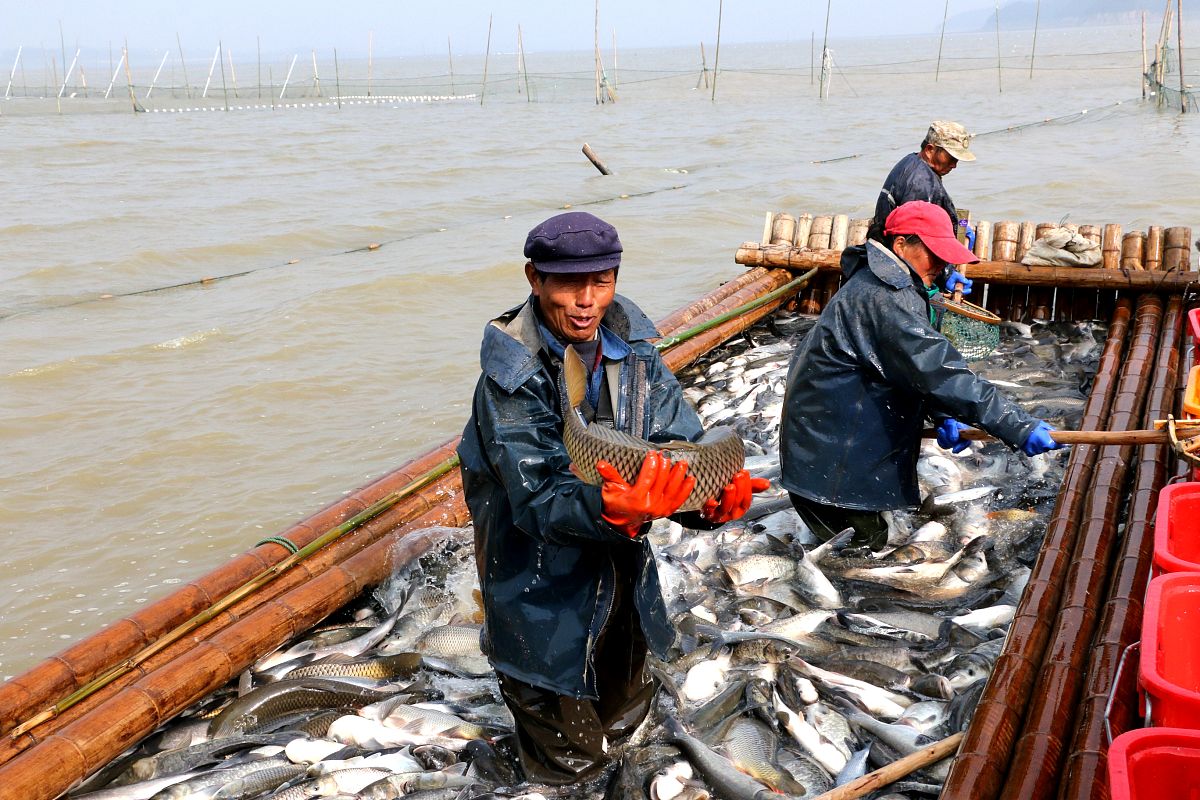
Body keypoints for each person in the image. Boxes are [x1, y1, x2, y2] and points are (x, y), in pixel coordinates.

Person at [457, 211, 768, 785]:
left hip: (622, 575)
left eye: (601, 281)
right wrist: (608, 508)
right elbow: (539, 499)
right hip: (537, 590)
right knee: (568, 766)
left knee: (628, 722)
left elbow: (688, 447)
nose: (586, 300)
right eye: (569, 283)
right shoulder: (511, 378)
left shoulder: (635, 355)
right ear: (534, 279)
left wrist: (709, 504)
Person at [780, 200, 1063, 551]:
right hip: (831, 471)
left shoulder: (886, 283)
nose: (942, 264)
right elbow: (942, 373)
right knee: (866, 551)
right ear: (900, 245)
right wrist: (1017, 425)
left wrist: (942, 413)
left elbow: (906, 369)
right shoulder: (884, 297)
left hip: (829, 452)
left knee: (875, 542)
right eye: (934, 254)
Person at [870, 120, 978, 300]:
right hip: (900, 269)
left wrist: (955, 228)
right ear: (930, 149)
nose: (954, 165)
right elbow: (919, 241)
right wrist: (946, 273)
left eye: (957, 159)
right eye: (951, 157)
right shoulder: (921, 184)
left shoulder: (912, 161)